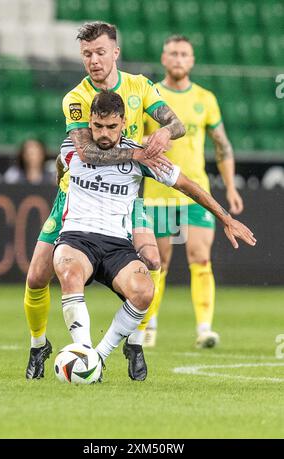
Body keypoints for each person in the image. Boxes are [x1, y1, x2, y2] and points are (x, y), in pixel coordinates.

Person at [54, 91, 255, 382]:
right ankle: (83, 349)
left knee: (144, 292)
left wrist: (225, 218)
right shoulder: (72, 147)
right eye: (98, 126)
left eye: (112, 127)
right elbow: (62, 169)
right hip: (76, 237)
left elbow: (188, 185)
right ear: (90, 121)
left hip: (116, 244)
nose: (104, 133)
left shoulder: (141, 156)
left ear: (124, 122)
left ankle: (97, 357)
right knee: (70, 271)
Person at [24, 21, 184, 380]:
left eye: (99, 52)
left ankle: (135, 343)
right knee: (36, 277)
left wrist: (163, 130)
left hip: (126, 196)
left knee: (153, 260)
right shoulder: (76, 97)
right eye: (86, 54)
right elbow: (87, 152)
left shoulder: (140, 86)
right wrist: (138, 156)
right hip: (77, 195)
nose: (93, 60)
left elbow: (178, 124)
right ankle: (39, 346)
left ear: (115, 52)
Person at [142, 35, 244, 348]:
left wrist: (230, 187)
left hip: (196, 190)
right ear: (163, 58)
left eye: (184, 54)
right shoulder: (151, 95)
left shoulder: (206, 98)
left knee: (200, 257)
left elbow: (222, 145)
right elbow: (132, 136)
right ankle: (148, 326)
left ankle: (204, 329)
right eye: (172, 53)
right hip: (158, 191)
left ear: (192, 60)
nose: (178, 58)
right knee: (157, 262)